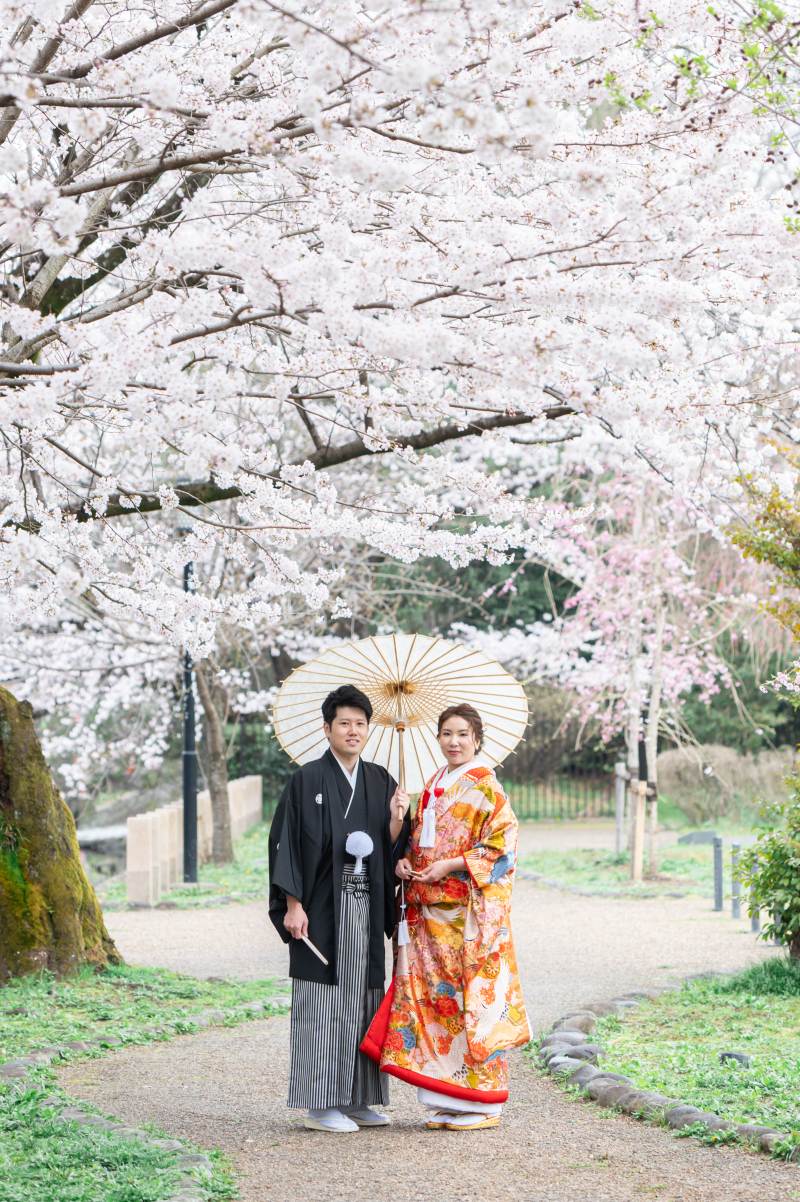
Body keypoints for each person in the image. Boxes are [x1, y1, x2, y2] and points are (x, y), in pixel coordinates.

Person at [362, 702, 529, 1130]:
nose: (453, 742)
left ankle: (483, 1102)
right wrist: (403, 859)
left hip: (465, 917)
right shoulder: (432, 785)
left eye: (462, 734)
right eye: (446, 734)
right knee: (438, 1006)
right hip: (428, 917)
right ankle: (448, 1097)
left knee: (471, 1002)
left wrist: (451, 866)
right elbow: (416, 845)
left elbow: (502, 851)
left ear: (477, 739)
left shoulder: (488, 788)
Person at [268, 684, 411, 1133]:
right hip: (322, 906)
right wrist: (293, 904)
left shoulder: (381, 780)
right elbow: (287, 843)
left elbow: (392, 851)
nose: (353, 730)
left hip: (366, 904)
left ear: (370, 729)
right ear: (327, 727)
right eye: (344, 723)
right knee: (323, 999)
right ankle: (319, 1103)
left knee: (365, 996)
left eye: (360, 723)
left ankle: (357, 1098)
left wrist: (394, 821)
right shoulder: (307, 779)